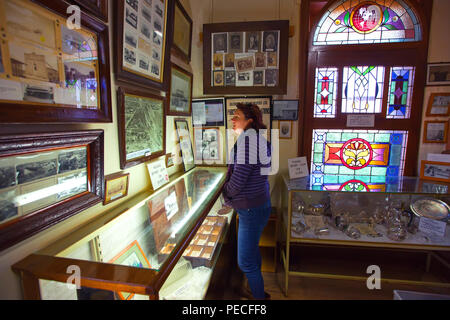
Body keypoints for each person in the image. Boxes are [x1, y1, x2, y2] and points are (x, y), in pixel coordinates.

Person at [222, 103, 272, 300]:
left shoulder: (249, 142)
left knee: (246, 263)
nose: (233, 120)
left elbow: (238, 181)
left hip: (251, 209)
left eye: (237, 116)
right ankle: (255, 289)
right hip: (259, 205)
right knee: (252, 253)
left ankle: (259, 299)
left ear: (249, 121)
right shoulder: (258, 140)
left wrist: (224, 194)